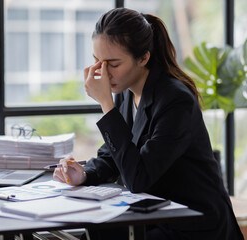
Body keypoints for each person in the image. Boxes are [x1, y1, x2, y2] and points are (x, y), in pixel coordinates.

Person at [53, 8, 243, 240]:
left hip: (192, 222)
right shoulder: (126, 93)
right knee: (91, 234)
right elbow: (113, 157)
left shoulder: (175, 100)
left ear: (143, 58)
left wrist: (105, 104)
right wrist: (83, 174)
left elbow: (139, 178)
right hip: (155, 213)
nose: (103, 73)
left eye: (113, 64)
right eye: (96, 61)